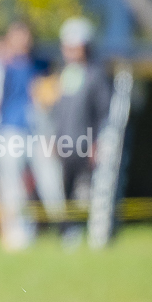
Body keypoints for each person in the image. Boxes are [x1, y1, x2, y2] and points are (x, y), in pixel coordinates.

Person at [0, 21, 64, 250]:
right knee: (11, 187)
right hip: (9, 131)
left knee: (51, 181)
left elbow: (53, 99)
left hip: (38, 131)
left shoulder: (42, 65)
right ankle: (18, 234)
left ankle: (64, 229)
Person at [52, 17, 112, 241]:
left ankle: (95, 233)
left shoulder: (96, 75)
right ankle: (68, 232)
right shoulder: (63, 74)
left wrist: (98, 143)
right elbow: (59, 112)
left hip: (87, 145)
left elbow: (104, 113)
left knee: (88, 193)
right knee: (65, 192)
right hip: (65, 145)